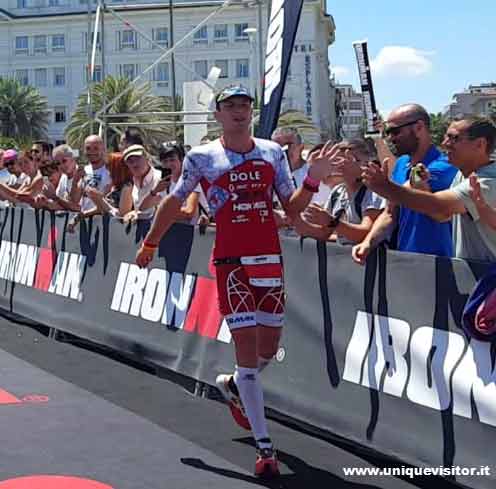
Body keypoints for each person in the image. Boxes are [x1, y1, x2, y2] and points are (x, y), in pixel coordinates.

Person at [135, 85, 331, 478]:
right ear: (218, 114)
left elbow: (290, 209)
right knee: (246, 348)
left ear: (251, 113)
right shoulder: (202, 157)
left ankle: (237, 385)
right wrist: (151, 241)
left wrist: (313, 182)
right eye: (231, 106)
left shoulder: (272, 152)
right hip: (230, 261)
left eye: (245, 105)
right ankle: (265, 447)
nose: (239, 111)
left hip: (269, 260)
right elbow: (176, 201)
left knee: (269, 347)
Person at [360, 116, 496, 262]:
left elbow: (440, 207)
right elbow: (442, 216)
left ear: (480, 144)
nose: (444, 144)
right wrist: (422, 189)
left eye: (454, 138)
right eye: (445, 137)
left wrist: (385, 186)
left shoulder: (487, 182)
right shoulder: (462, 175)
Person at [351, 104, 458, 265]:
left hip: (441, 264)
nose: (391, 138)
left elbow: (406, 190)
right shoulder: (401, 164)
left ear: (419, 127)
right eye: (387, 132)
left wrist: (384, 186)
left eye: (395, 131)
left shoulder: (445, 165)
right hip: (406, 261)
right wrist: (368, 243)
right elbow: (390, 212)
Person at [296, 139, 384, 244]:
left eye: (349, 159)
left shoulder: (373, 192)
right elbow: (324, 232)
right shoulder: (337, 192)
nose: (340, 164)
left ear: (365, 163)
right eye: (337, 159)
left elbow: (366, 234)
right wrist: (297, 221)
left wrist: (331, 222)